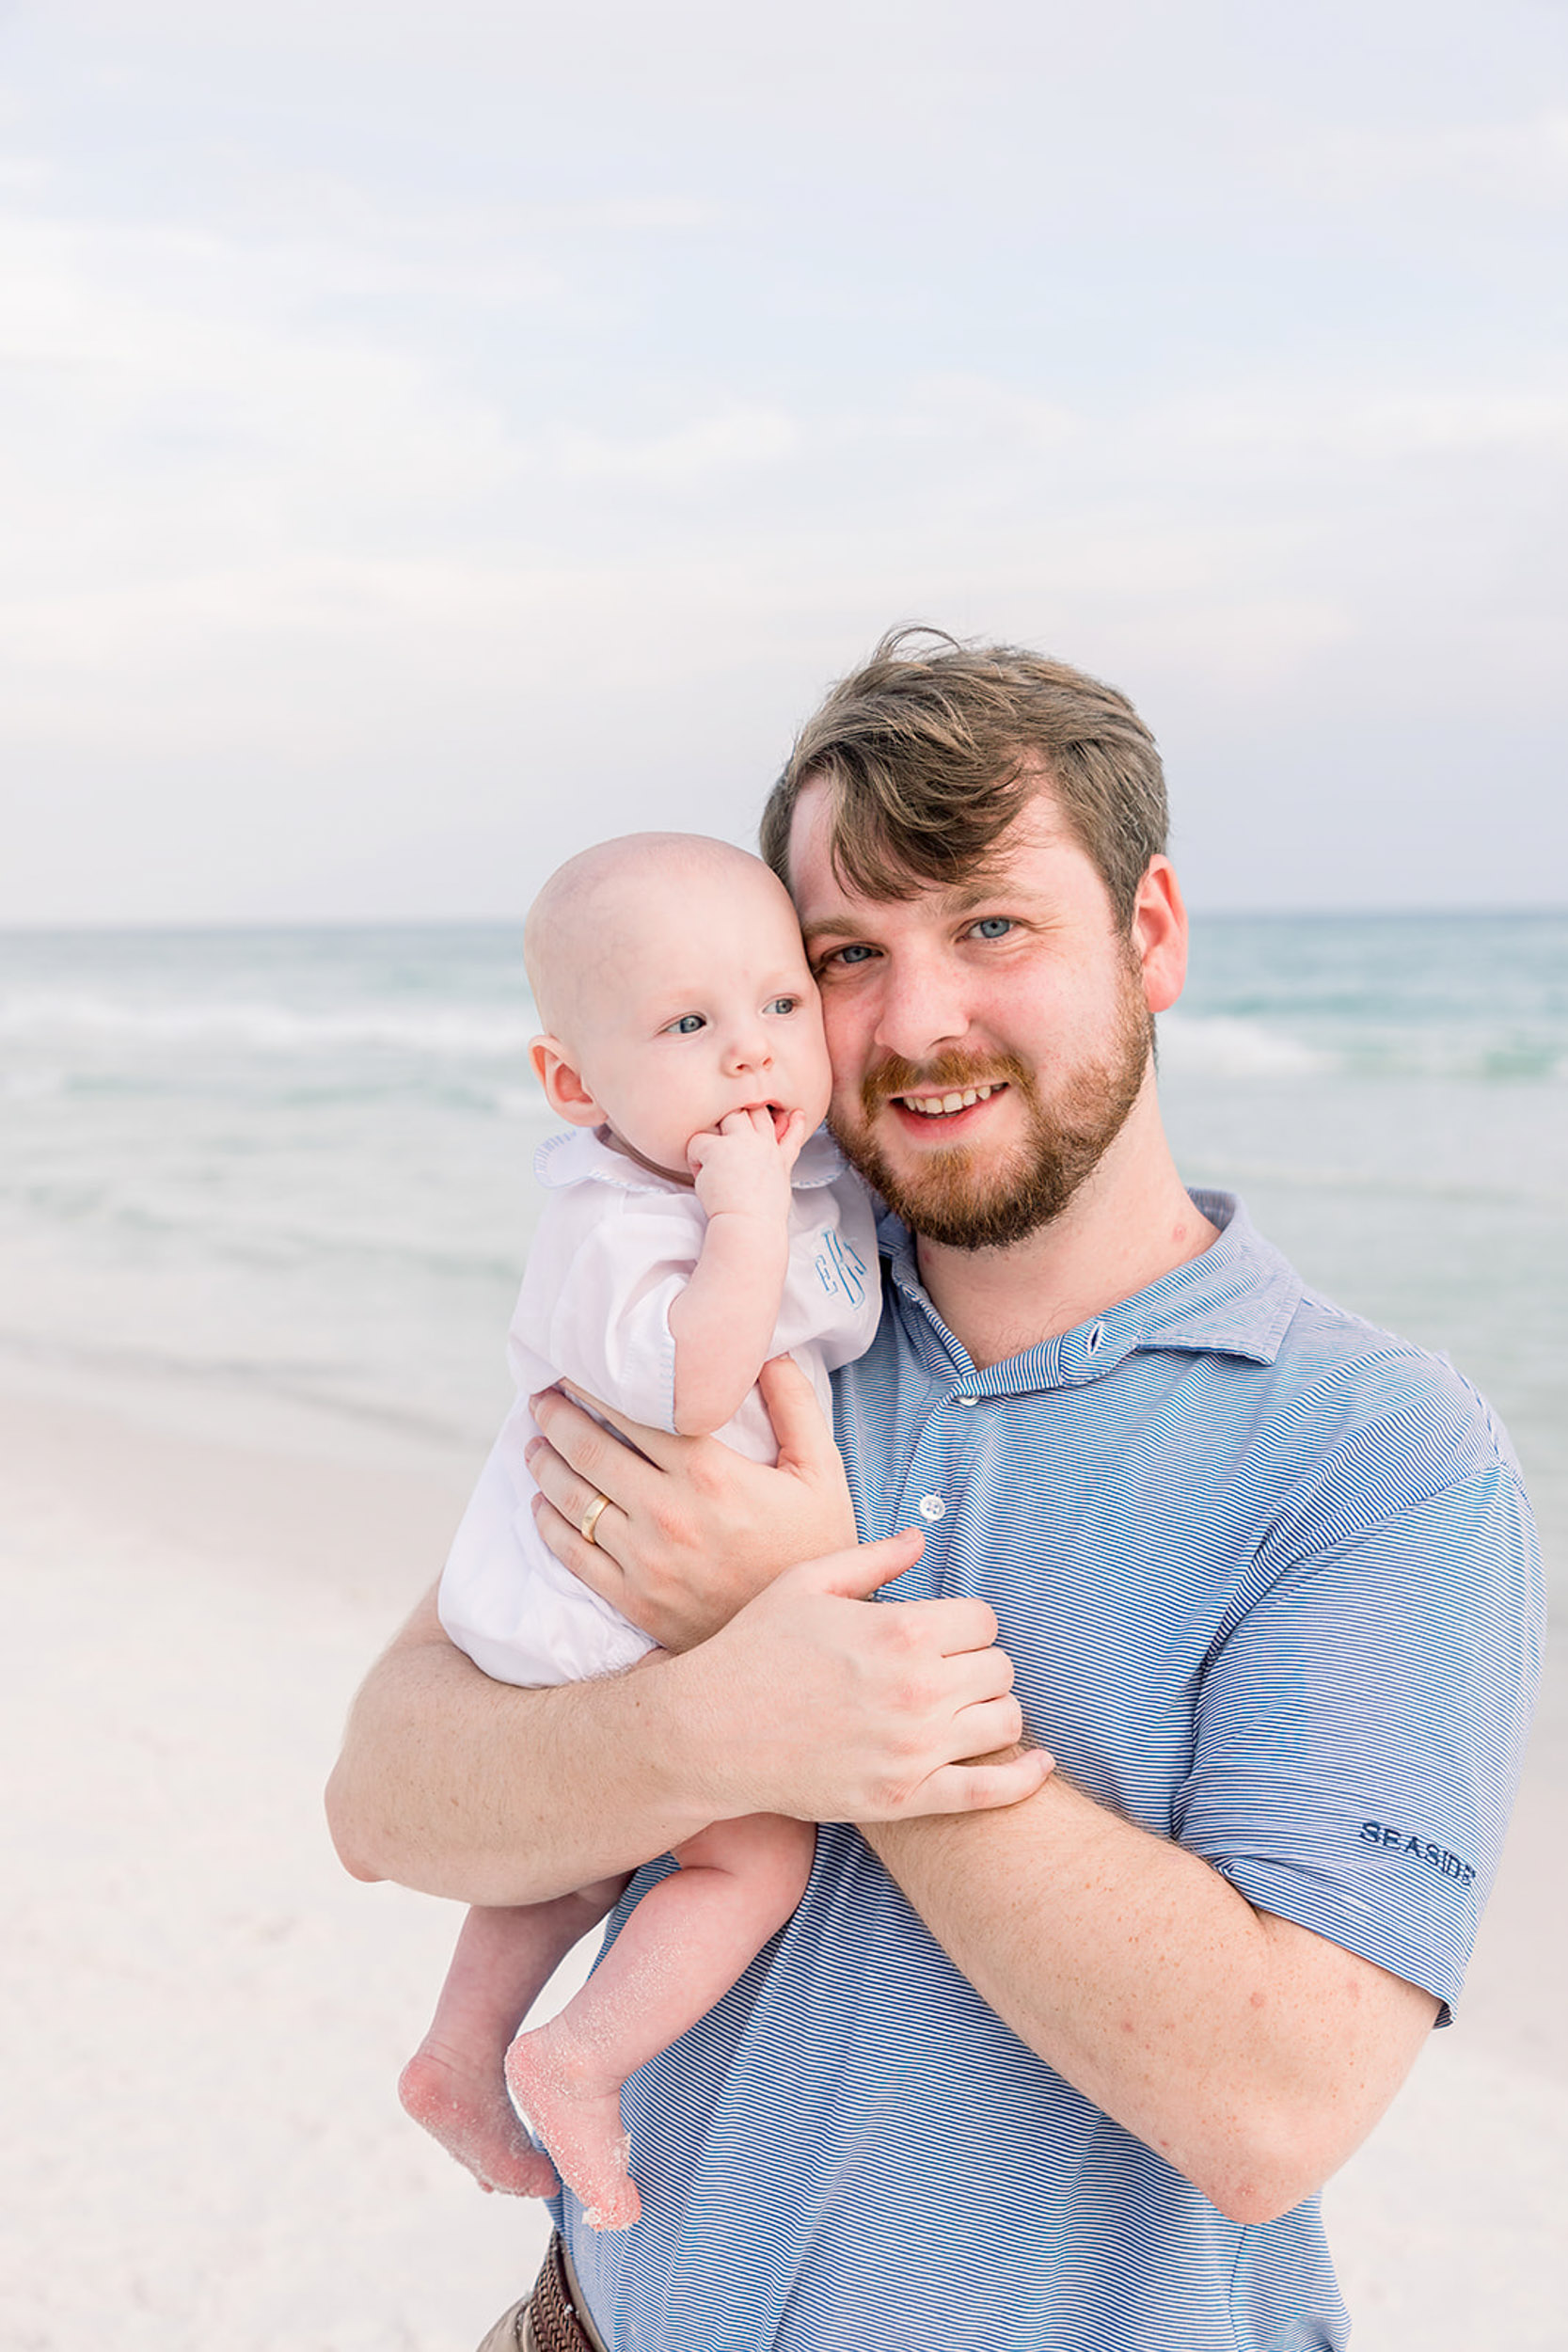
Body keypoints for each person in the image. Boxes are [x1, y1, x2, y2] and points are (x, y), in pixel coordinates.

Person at [328, 632, 1542, 2352]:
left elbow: (1275, 2107)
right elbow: (385, 1797)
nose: (915, 1023)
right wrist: (712, 1715)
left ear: (1149, 935)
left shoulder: (1381, 1457)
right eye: (848, 954)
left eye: (990, 927)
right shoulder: (760, 1325)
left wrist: (838, 1669)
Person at [399, 833, 892, 2230]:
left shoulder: (791, 1168)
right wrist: (742, 1221)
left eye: (783, 1003)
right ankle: (578, 2057)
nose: (752, 1052)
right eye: (688, 1026)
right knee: (753, 1855)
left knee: (585, 1855)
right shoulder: (624, 1225)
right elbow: (696, 1384)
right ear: (577, 1085)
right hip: (607, 1593)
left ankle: (455, 2057)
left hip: (648, 1579)